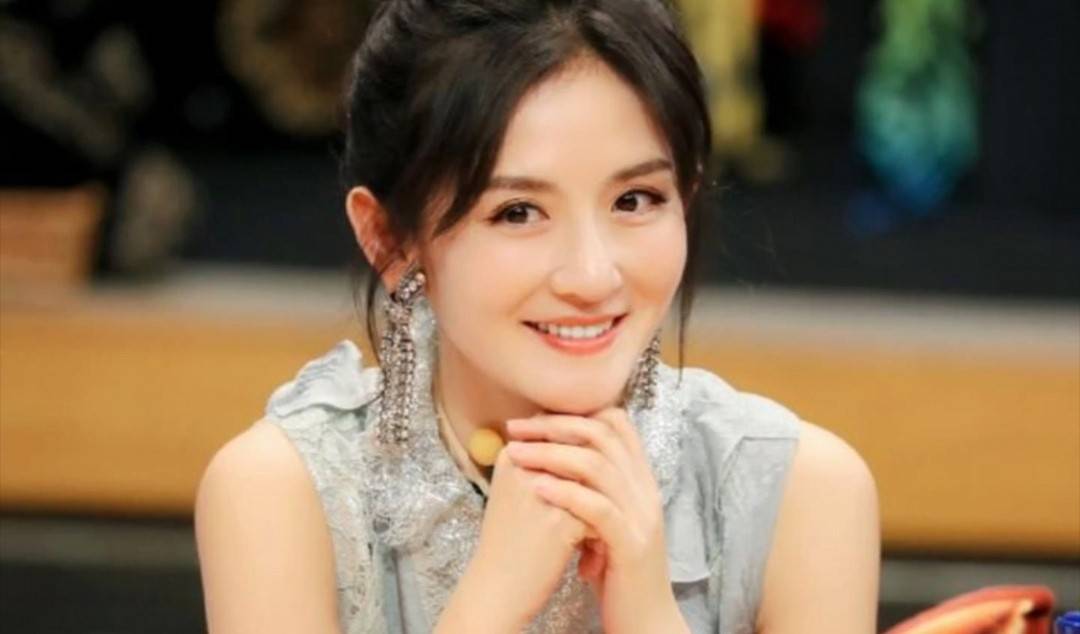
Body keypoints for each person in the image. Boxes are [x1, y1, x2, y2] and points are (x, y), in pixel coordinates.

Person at [194, 1, 880, 632]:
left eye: (635, 200)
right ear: (389, 240)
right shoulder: (283, 493)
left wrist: (646, 611)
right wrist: (491, 601)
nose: (592, 276)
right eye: (517, 212)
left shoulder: (800, 492)